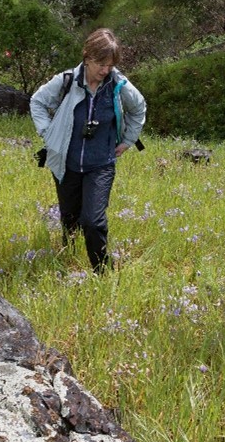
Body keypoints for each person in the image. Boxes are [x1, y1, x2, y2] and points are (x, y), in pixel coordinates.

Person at [30, 28, 147, 273]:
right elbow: (37, 102)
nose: (105, 70)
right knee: (69, 217)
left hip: (101, 164)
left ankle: (102, 271)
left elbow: (138, 108)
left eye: (110, 65)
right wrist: (47, 132)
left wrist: (128, 140)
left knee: (93, 221)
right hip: (66, 161)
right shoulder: (66, 80)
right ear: (87, 57)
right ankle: (68, 254)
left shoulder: (118, 85)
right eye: (101, 64)